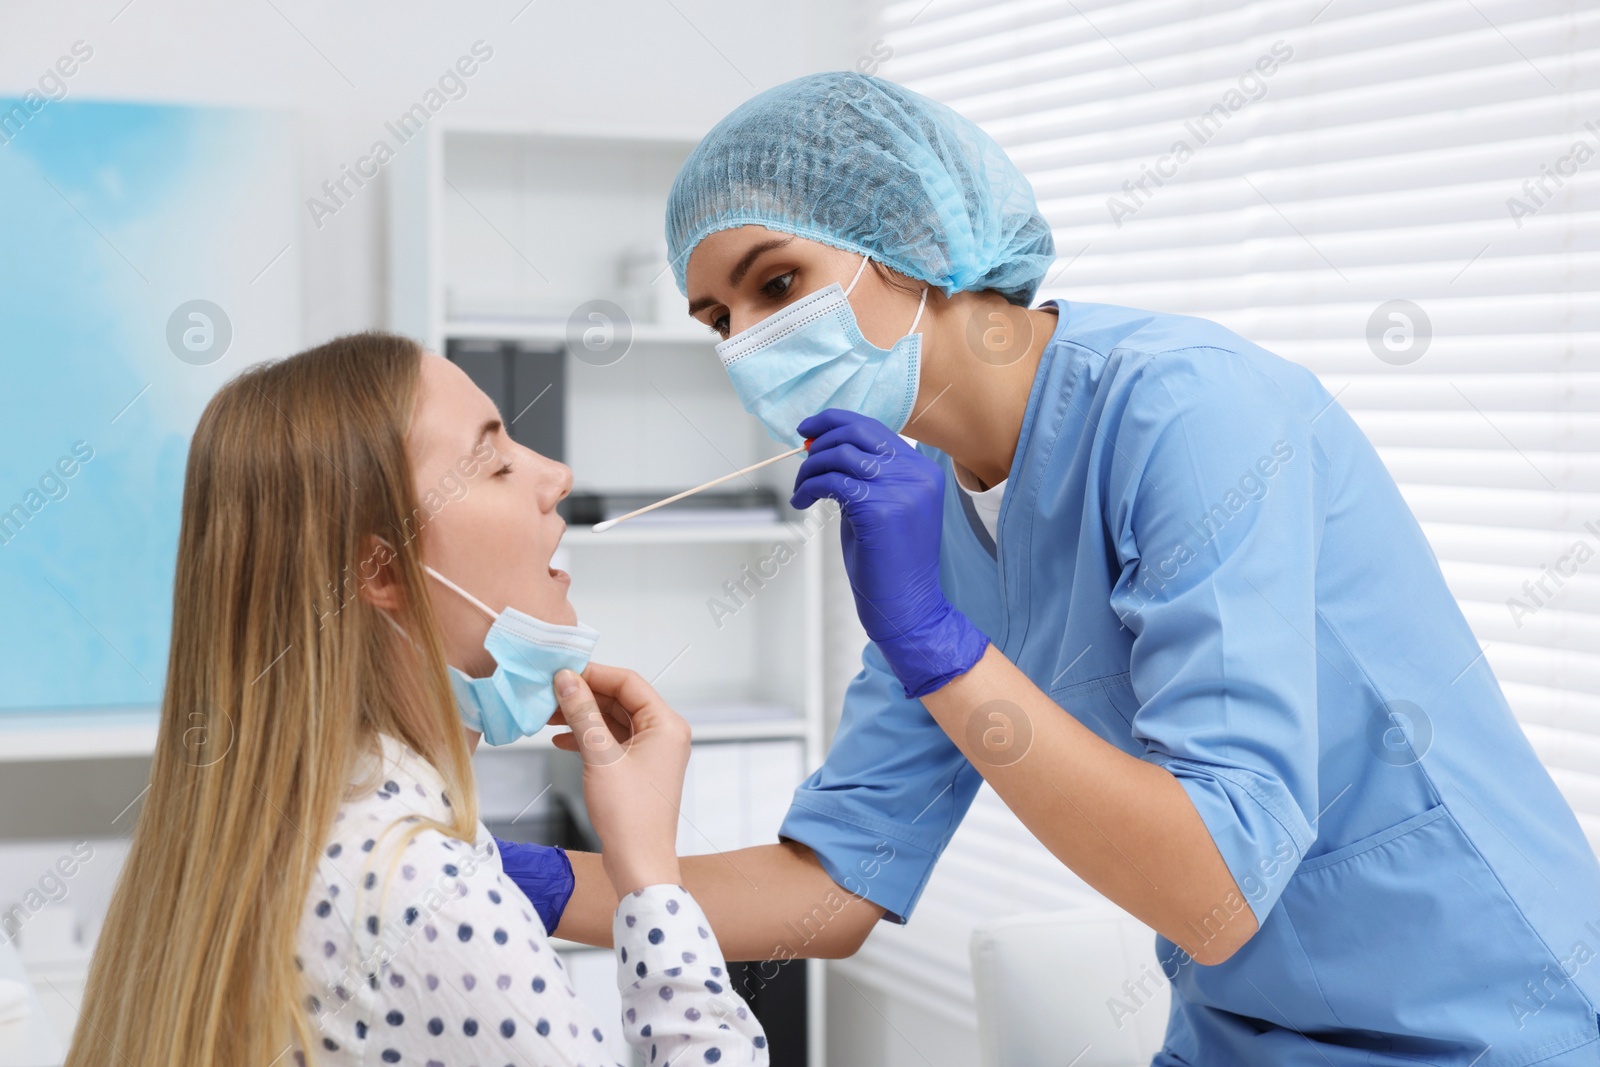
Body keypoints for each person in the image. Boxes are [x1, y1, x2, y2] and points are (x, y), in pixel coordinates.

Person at [549, 72, 1600, 1064]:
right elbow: (832, 885)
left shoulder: (1190, 412)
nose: (748, 344)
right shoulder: (930, 519)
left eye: (778, 282)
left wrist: (934, 641)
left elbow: (1214, 893)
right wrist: (519, 880)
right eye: (718, 321)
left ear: (915, 236)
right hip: (1242, 1028)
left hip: (1481, 1013)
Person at [64, 333, 768, 1066]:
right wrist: (649, 874)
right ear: (382, 570)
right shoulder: (426, 892)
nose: (555, 475)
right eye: (496, 463)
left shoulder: (294, 830)